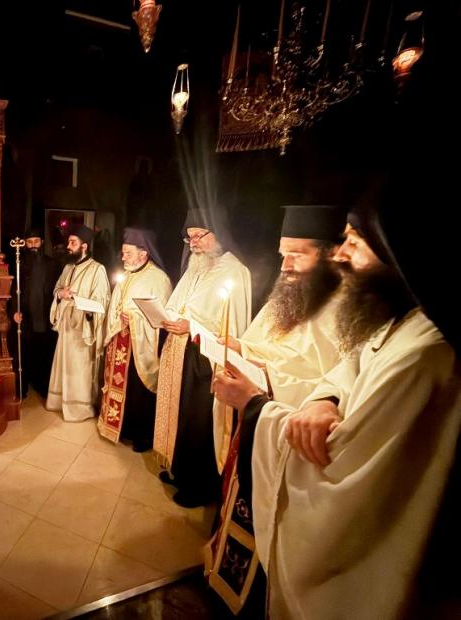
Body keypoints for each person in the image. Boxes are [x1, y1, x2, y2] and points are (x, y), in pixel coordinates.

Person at [248, 207, 461, 619]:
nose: (340, 253)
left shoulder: (426, 351)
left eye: (354, 241)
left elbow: (345, 473)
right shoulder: (400, 319)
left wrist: (257, 409)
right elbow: (349, 367)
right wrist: (324, 400)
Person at [206, 204, 347, 614]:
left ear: (330, 254)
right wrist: (239, 348)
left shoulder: (347, 311)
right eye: (283, 253)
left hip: (289, 442)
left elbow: (333, 389)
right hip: (256, 423)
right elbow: (263, 345)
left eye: (297, 254)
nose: (284, 265)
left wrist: (264, 379)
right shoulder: (285, 295)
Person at [153, 208, 251, 507]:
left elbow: (231, 328)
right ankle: (179, 470)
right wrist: (167, 317)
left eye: (198, 236)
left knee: (199, 422)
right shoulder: (195, 267)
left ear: (218, 234)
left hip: (207, 361)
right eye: (189, 237)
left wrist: (191, 326)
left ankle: (199, 487)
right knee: (181, 416)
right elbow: (177, 304)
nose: (193, 243)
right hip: (182, 351)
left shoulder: (235, 272)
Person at [98, 228, 171, 450]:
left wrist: (134, 319)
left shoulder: (159, 279)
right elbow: (115, 306)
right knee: (120, 386)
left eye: (127, 253)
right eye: (123, 253)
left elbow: (161, 319)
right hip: (119, 340)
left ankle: (141, 436)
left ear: (143, 253)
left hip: (140, 346)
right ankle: (120, 427)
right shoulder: (127, 275)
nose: (123, 258)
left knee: (138, 391)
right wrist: (118, 319)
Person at [46, 225, 111, 421]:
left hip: (83, 328)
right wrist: (61, 294)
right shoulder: (68, 268)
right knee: (64, 365)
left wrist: (80, 302)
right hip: (66, 325)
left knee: (79, 368)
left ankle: (80, 408)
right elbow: (57, 289)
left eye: (73, 243)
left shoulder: (97, 269)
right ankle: (60, 402)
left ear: (84, 246)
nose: (68, 246)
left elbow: (102, 301)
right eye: (69, 242)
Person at [13, 229, 61, 398]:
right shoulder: (18, 263)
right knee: (25, 353)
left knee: (44, 353)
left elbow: (58, 289)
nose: (33, 245)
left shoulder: (52, 264)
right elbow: (12, 290)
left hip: (45, 315)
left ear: (42, 242)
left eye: (36, 241)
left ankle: (43, 387)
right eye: (29, 242)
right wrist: (14, 311)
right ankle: (22, 388)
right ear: (24, 244)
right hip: (26, 317)